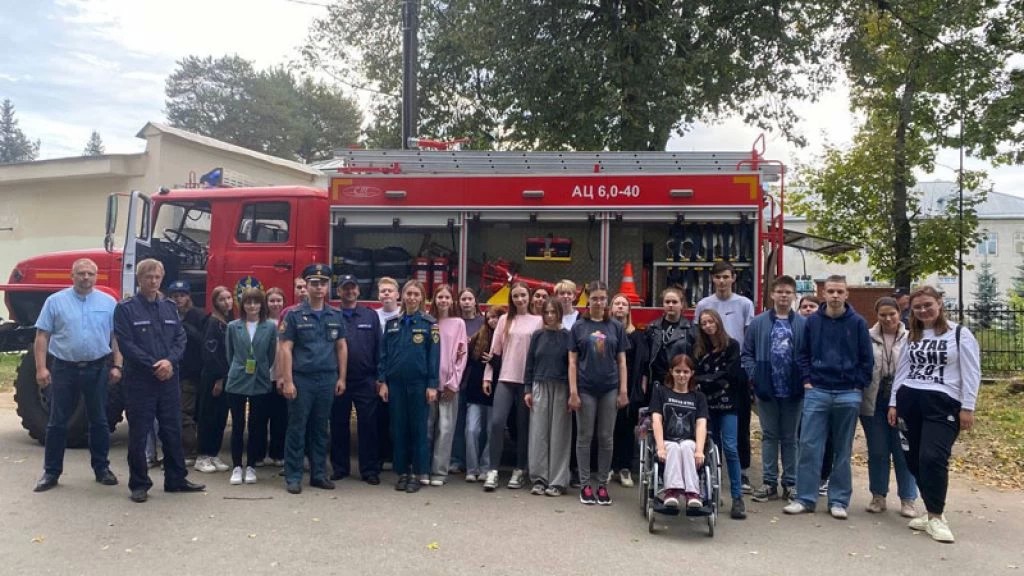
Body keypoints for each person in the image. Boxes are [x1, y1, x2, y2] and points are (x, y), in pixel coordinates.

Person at [889, 286, 980, 543]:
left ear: (940, 303)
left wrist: (968, 407)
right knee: (913, 460)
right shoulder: (912, 335)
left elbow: (972, 373)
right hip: (910, 400)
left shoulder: (959, 334)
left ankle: (937, 517)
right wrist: (894, 403)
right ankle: (931, 512)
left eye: (928, 305)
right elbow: (902, 372)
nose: (923, 310)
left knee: (933, 457)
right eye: (917, 307)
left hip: (943, 403)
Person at [113, 258, 205, 502]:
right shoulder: (126, 308)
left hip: (168, 379)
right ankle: (139, 484)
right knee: (140, 433)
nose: (153, 281)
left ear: (161, 279)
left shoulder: (169, 306)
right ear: (139, 279)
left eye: (156, 277)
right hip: (140, 380)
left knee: (172, 429)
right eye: (148, 277)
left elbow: (180, 339)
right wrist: (154, 364)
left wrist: (169, 362)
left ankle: (176, 479)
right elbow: (126, 344)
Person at [784, 275, 873, 519]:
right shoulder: (812, 322)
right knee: (809, 446)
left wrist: (858, 385)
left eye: (839, 291)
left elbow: (867, 359)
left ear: (847, 294)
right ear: (823, 293)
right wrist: (807, 380)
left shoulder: (857, 323)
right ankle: (805, 498)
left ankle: (839, 501)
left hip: (848, 393)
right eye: (831, 291)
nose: (835, 295)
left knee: (842, 450)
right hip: (818, 391)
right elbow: (802, 354)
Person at [33, 258, 121, 492]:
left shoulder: (109, 302)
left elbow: (115, 337)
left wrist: (118, 366)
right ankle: (51, 472)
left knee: (99, 421)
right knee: (57, 422)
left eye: (90, 274)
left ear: (96, 276)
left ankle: (102, 468)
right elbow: (42, 336)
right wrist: (41, 368)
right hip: (64, 369)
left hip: (97, 368)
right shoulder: (55, 301)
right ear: (71, 276)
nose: (85, 278)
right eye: (81, 273)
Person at [278, 263, 348, 494]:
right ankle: (294, 476)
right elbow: (285, 348)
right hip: (302, 380)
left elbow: (341, 347)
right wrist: (287, 381)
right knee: (297, 428)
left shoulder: (335, 315)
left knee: (321, 428)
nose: (319, 288)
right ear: (306, 286)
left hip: (327, 379)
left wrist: (342, 378)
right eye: (314, 283)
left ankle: (319, 474)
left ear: (329, 287)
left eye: (323, 283)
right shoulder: (294, 315)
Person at [693, 261, 754, 492]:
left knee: (741, 426)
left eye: (726, 277)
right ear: (712, 279)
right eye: (717, 277)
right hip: (709, 373)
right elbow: (698, 336)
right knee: (711, 429)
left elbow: (748, 339)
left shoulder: (745, 304)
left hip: (735, 373)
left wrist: (746, 372)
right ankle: (710, 470)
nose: (722, 281)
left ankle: (743, 472)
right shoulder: (704, 305)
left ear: (733, 278)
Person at [745, 276, 806, 503]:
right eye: (779, 291)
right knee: (769, 436)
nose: (783, 296)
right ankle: (769, 482)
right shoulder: (759, 323)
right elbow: (747, 353)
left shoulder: (802, 324)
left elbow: (808, 355)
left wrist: (803, 378)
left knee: (790, 437)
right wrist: (755, 376)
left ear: (793, 295)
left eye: (788, 292)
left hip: (793, 389)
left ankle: (790, 483)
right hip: (766, 388)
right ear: (772, 295)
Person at [569, 280, 628, 506]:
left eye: (603, 298)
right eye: (594, 298)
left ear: (607, 300)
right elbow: (572, 362)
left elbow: (622, 361)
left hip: (610, 388)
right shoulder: (578, 327)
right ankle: (585, 484)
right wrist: (573, 392)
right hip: (585, 388)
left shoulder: (615, 327)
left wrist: (623, 390)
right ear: (588, 299)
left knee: (606, 437)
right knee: (584, 437)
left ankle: (602, 484)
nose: (599, 302)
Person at [378, 279, 439, 493]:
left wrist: (432, 385)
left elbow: (434, 357)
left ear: (422, 298)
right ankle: (402, 472)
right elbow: (383, 355)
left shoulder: (430, 324)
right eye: (408, 294)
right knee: (398, 428)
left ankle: (417, 472)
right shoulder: (393, 324)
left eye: (416, 294)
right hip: (395, 384)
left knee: (418, 429)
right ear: (402, 296)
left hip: (419, 384)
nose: (412, 298)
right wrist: (382, 381)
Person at [482, 281, 543, 491]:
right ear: (511, 299)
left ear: (529, 297)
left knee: (523, 426)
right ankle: (492, 470)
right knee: (497, 423)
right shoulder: (503, 320)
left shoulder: (538, 321)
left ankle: (519, 470)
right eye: (516, 296)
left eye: (523, 295)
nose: (520, 299)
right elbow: (494, 352)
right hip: (505, 379)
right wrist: (487, 377)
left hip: (527, 382)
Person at [862, 297, 917, 517]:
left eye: (891, 314)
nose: (887, 318)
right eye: (883, 315)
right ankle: (878, 496)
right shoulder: (867, 337)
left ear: (899, 313)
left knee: (903, 451)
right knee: (877, 451)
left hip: (904, 401)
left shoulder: (912, 337)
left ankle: (908, 499)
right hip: (875, 399)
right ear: (877, 316)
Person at [693, 308, 746, 519]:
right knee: (709, 448)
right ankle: (709, 492)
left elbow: (731, 374)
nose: (708, 326)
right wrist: (712, 379)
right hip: (705, 404)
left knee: (731, 448)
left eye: (710, 321)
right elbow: (696, 375)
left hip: (728, 403)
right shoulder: (697, 349)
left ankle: (737, 497)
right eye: (703, 323)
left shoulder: (732, 345)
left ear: (718, 322)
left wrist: (709, 379)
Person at [330, 275, 383, 484]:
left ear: (358, 291)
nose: (349, 292)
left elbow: (379, 348)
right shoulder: (332, 315)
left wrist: (380, 377)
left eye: (353, 288)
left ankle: (369, 470)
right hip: (338, 379)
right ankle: (340, 468)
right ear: (339, 292)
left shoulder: (370, 316)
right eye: (345, 289)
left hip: (365, 379)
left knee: (368, 426)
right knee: (338, 424)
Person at [224, 288, 277, 485]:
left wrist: (261, 368)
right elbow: (229, 354)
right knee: (237, 425)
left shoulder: (270, 327)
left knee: (257, 425)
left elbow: (271, 355)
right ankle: (237, 465)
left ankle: (252, 465)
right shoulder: (233, 326)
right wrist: (238, 368)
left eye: (256, 302)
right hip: (237, 378)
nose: (252, 306)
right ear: (242, 305)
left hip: (260, 378)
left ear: (261, 305)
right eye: (248, 302)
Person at [523, 297, 572, 497]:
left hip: (562, 387)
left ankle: (558, 481)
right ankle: (539, 478)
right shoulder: (537, 335)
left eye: (554, 312)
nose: (550, 316)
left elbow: (572, 365)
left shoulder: (568, 335)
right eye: (547, 313)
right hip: (539, 384)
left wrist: (572, 393)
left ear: (560, 313)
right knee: (538, 433)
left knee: (560, 434)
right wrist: (527, 389)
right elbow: (530, 363)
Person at [650, 354, 709, 510]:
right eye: (678, 371)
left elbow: (701, 424)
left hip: (689, 441)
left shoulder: (699, 397)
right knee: (675, 448)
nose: (682, 375)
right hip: (668, 440)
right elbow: (656, 420)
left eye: (685, 371)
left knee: (687, 446)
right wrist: (660, 447)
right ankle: (672, 491)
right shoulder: (661, 393)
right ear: (671, 372)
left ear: (691, 373)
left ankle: (692, 493)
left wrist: (700, 451)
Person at [426, 284, 467, 486]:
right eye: (439, 297)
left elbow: (462, 354)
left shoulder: (458, 323)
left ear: (452, 301)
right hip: (430, 384)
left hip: (449, 385)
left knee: (445, 428)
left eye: (447, 297)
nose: (443, 301)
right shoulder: (428, 321)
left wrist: (453, 383)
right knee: (427, 427)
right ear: (434, 299)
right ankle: (423, 467)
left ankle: (439, 471)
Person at [609, 294, 648, 489]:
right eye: (617, 303)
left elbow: (642, 364)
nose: (620, 307)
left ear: (629, 310)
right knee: (607, 429)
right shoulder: (605, 332)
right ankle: (607, 466)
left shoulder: (637, 335)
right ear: (611, 308)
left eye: (624, 304)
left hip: (629, 388)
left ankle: (624, 468)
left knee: (625, 427)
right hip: (607, 385)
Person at [194, 286, 233, 475]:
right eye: (222, 299)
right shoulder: (212, 324)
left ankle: (213, 453)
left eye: (229, 298)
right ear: (215, 302)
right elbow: (210, 354)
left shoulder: (227, 322)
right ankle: (202, 456)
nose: (227, 302)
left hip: (225, 377)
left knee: (220, 417)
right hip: (213, 378)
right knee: (208, 416)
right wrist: (218, 378)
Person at [462, 306, 504, 482]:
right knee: (471, 429)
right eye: (489, 317)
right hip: (475, 391)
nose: (492, 320)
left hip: (497, 392)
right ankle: (472, 468)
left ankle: (487, 467)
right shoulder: (479, 337)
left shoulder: (506, 337)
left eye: (496, 317)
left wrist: (496, 361)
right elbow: (466, 360)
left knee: (491, 431)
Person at [167, 280, 205, 466]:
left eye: (182, 295)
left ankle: (189, 450)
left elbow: (203, 340)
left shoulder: (197, 315)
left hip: (192, 372)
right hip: (173, 370)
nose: (178, 299)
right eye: (175, 296)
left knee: (184, 412)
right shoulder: (166, 314)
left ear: (188, 297)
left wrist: (185, 329)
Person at [798, 293, 831, 495]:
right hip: (801, 391)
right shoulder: (797, 330)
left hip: (825, 390)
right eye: (804, 306)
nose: (808, 309)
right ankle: (804, 479)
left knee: (826, 437)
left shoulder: (826, 330)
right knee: (803, 437)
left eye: (812, 306)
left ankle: (823, 477)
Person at [450, 288, 485, 474]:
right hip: (457, 378)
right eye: (463, 299)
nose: (466, 302)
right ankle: (457, 459)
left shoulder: (483, 322)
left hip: (475, 379)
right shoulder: (455, 322)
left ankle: (476, 460)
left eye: (470, 298)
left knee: (475, 425)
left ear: (475, 301)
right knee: (457, 421)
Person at [644, 287, 694, 394]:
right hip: (656, 381)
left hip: (680, 381)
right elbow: (646, 359)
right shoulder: (652, 327)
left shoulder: (691, 329)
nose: (670, 305)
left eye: (675, 302)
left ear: (682, 304)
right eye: (667, 302)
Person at [375, 277, 402, 469]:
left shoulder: (404, 315)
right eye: (383, 291)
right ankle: (382, 455)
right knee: (381, 416)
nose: (386, 294)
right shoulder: (373, 316)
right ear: (378, 295)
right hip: (380, 372)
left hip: (400, 372)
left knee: (399, 417)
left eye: (390, 291)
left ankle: (397, 456)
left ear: (397, 295)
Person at [261, 287, 288, 467]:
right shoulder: (261, 322)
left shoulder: (289, 321)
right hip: (264, 376)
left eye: (279, 300)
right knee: (261, 418)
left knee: (281, 418)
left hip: (282, 376)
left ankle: (278, 453)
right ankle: (258, 454)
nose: (275, 304)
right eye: (272, 300)